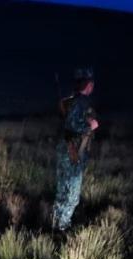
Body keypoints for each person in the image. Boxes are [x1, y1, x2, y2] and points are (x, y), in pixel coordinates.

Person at [53, 67, 99, 231]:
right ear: (88, 85)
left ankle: (56, 224)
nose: (92, 86)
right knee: (72, 196)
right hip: (73, 152)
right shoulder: (81, 102)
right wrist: (90, 125)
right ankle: (62, 227)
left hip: (64, 149)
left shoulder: (70, 100)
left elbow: (64, 123)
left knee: (62, 191)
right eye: (91, 83)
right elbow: (72, 125)